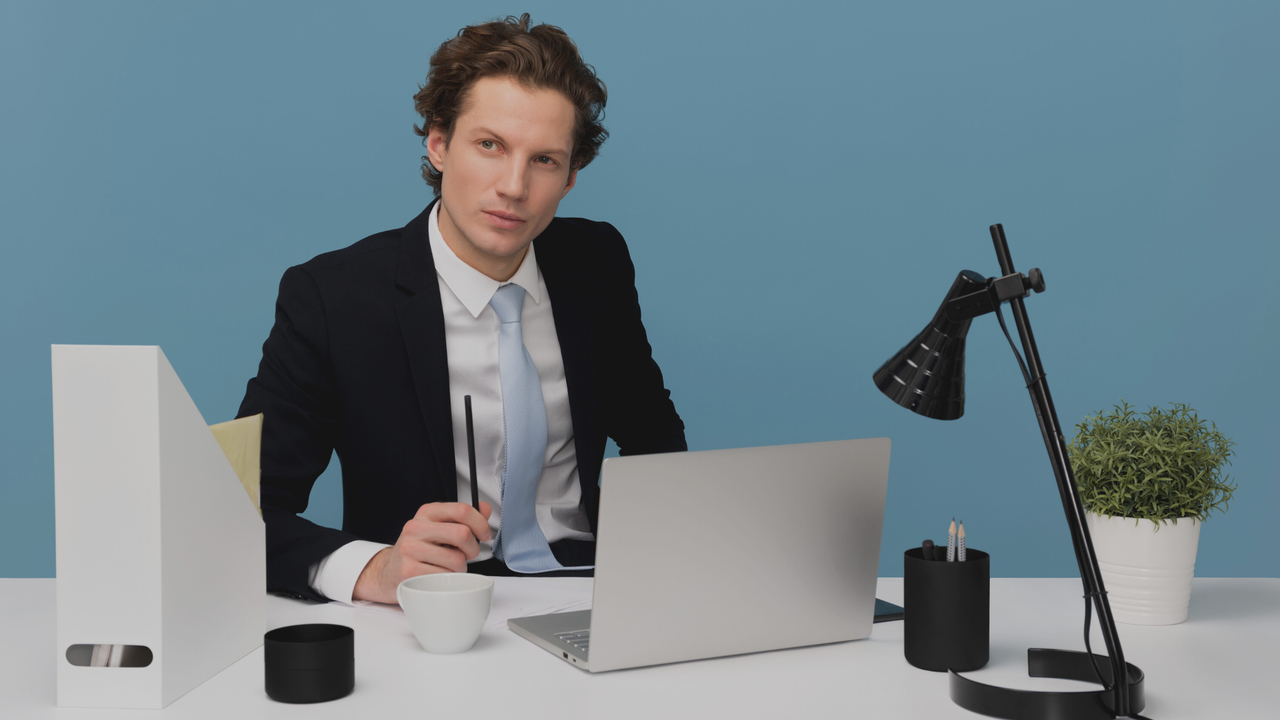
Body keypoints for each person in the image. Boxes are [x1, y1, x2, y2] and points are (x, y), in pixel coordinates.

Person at [237, 14, 686, 605]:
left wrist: (658, 568)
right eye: (490, 146)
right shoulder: (331, 298)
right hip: (427, 611)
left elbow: (657, 443)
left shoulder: (595, 262)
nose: (514, 186)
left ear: (572, 178)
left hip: (590, 592)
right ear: (439, 144)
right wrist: (376, 569)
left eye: (545, 160)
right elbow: (241, 514)